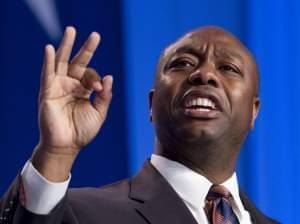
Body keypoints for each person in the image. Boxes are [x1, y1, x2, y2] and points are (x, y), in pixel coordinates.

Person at [0, 26, 279, 224]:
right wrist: (55, 153)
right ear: (152, 105)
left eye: (228, 68)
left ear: (253, 112)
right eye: (182, 63)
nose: (204, 74)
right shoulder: (78, 214)